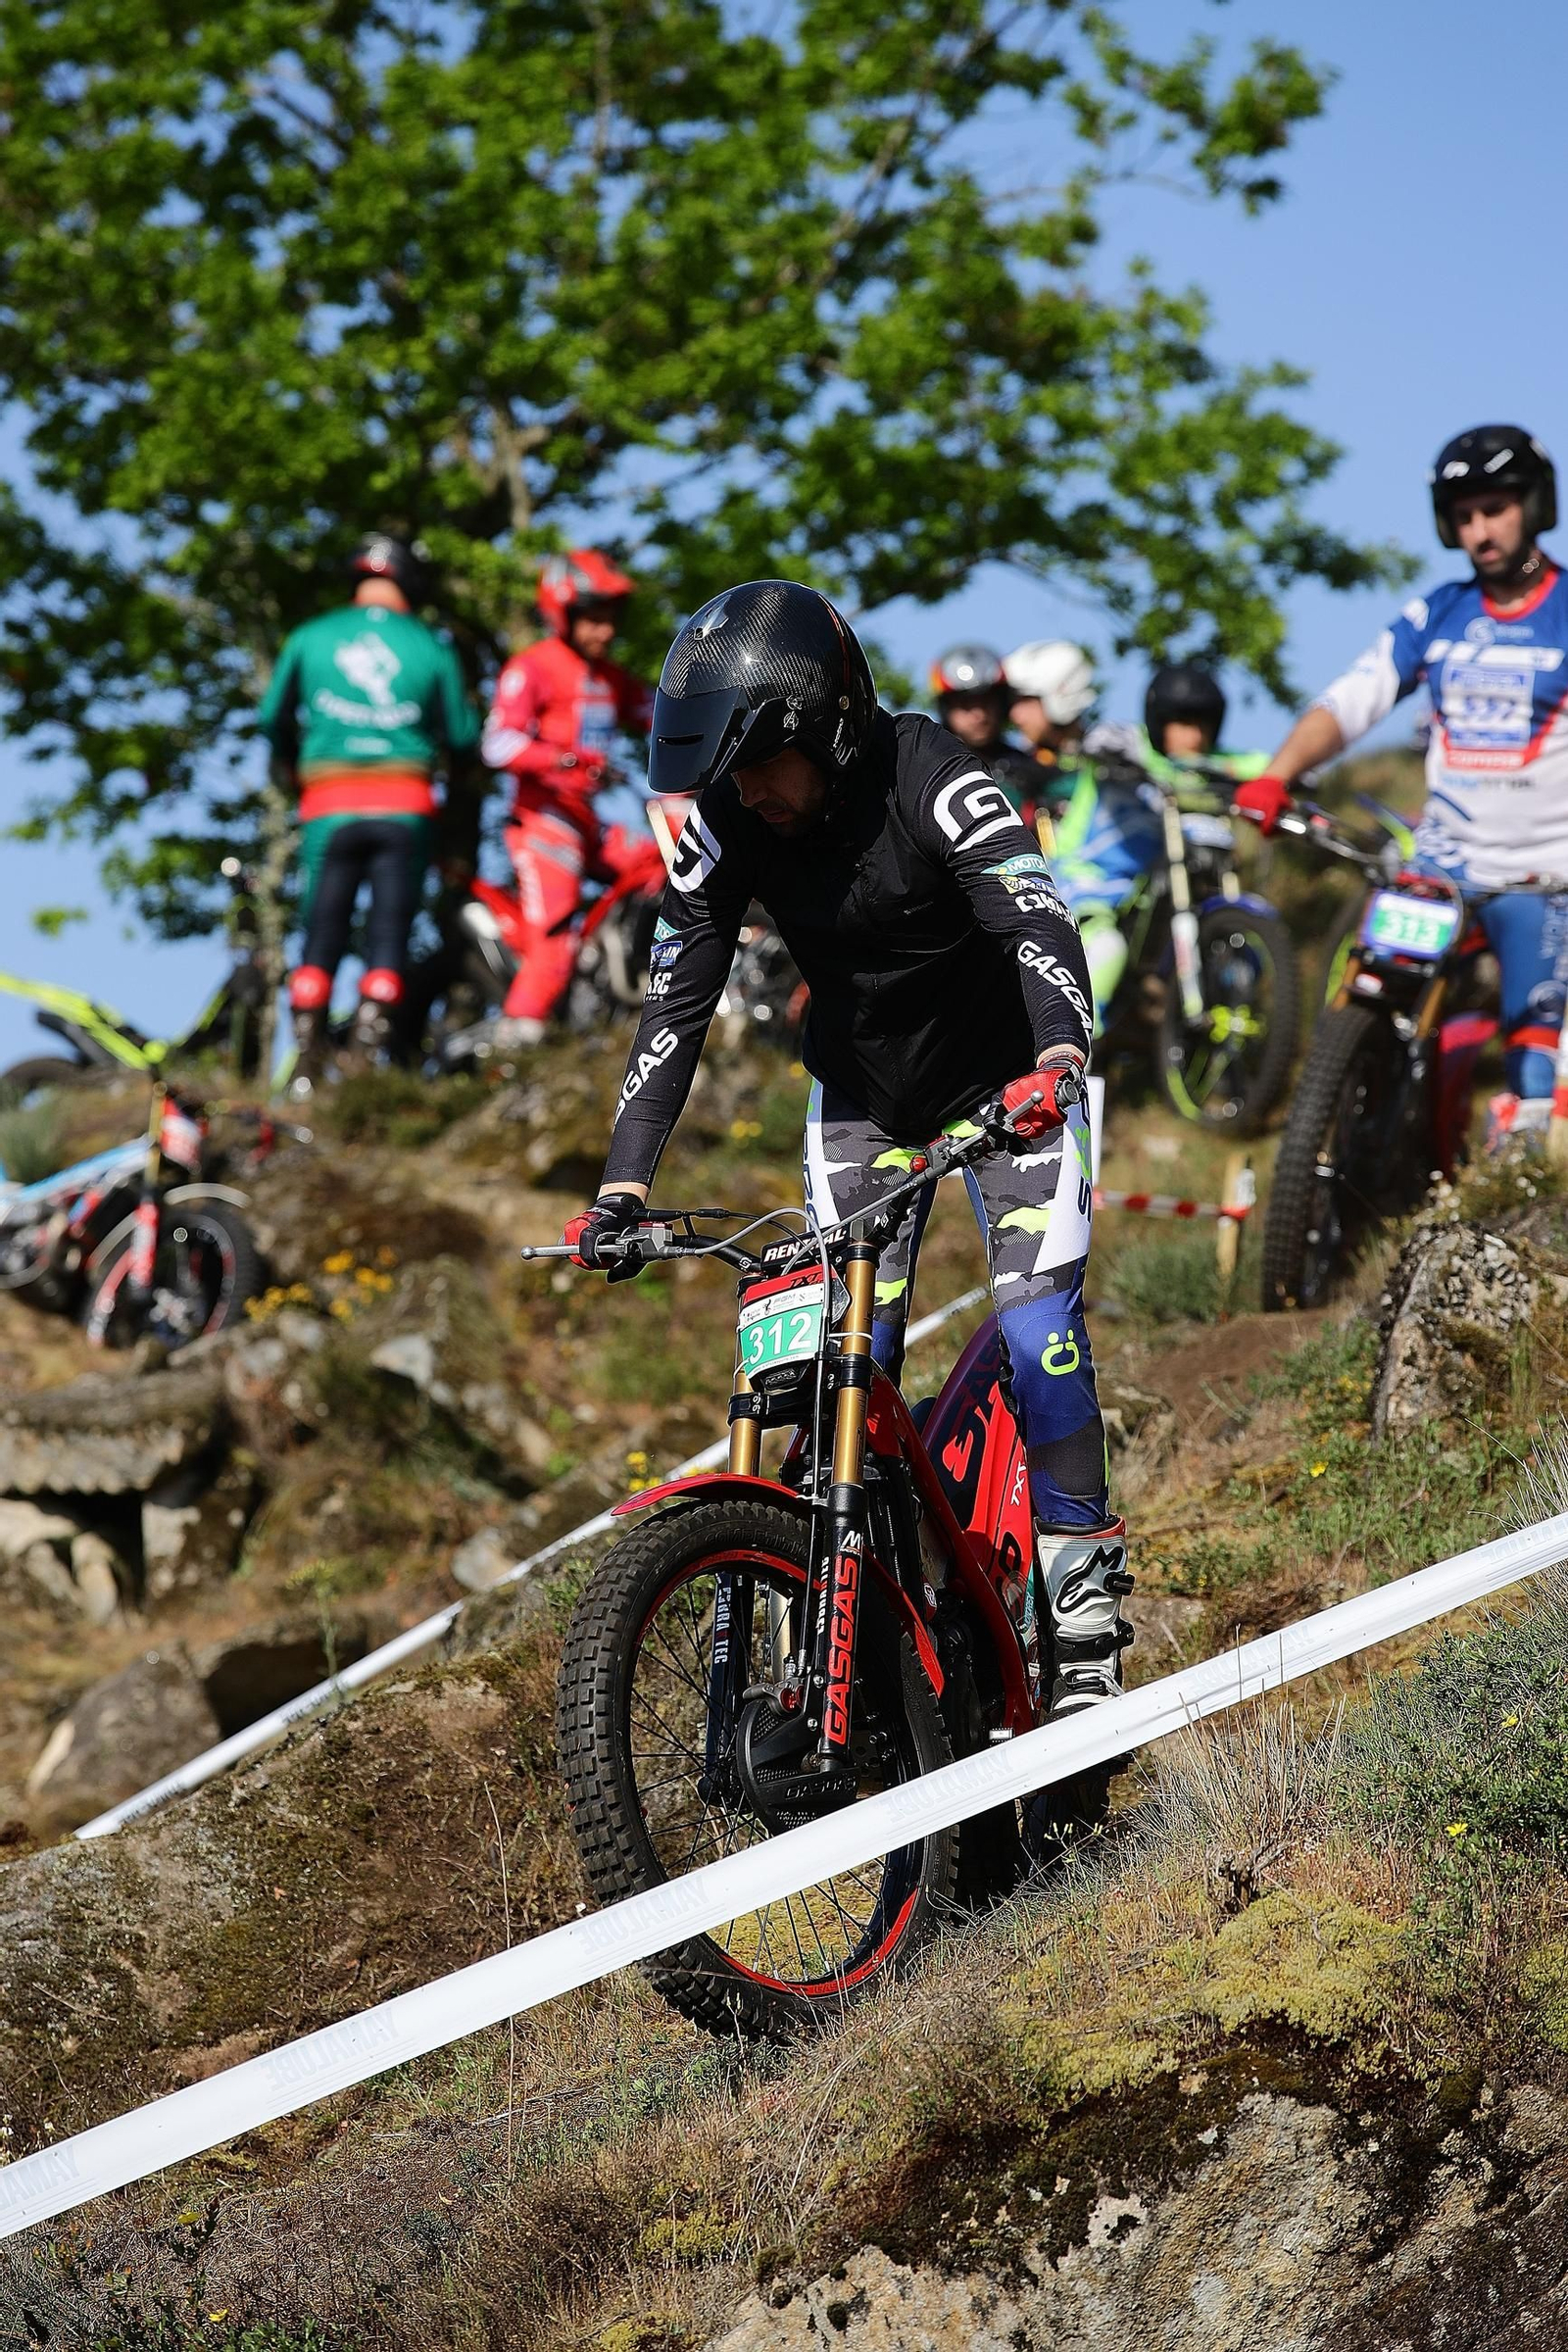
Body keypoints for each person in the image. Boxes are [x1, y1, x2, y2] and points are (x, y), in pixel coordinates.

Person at [562, 580, 1133, 1722]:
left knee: (1036, 1336)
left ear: (827, 721)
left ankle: (1085, 1621)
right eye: (733, 775)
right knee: (835, 1376)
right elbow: (677, 996)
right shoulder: (732, 818)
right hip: (862, 1104)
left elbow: (1036, 917)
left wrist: (1058, 1059)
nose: (752, 794)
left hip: (1010, 1085)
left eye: (765, 764)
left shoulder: (937, 778)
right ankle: (873, 1630)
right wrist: (623, 1181)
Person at [1237, 424, 1568, 1131]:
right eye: (1465, 514)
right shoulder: (1437, 613)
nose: (1480, 528)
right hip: (1442, 867)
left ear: (1535, 505)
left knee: (1536, 1073)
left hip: (1545, 877)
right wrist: (1278, 775)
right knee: (1366, 1004)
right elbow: (1353, 698)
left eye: (1496, 508)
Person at [259, 535, 480, 1079]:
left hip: (328, 805)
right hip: (405, 807)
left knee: (321, 930)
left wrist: (291, 765)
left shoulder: (311, 637)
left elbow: (272, 717)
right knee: (388, 932)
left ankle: (307, 1061)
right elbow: (463, 734)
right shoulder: (431, 646)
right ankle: (366, 1054)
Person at [482, 550, 655, 1046]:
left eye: (611, 620)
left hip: (589, 825)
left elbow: (663, 714)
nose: (606, 631)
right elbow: (497, 742)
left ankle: (626, 980)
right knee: (554, 945)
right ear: (563, 613)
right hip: (544, 822)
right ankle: (516, 1045)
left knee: (666, 865)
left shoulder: (611, 677)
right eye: (594, 619)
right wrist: (562, 760)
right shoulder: (532, 666)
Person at [1036, 662, 1266, 1030]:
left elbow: (1266, 767)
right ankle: (1070, 1063)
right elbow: (1099, 740)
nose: (1194, 737)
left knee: (1248, 947)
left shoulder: (1213, 764)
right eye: (1183, 724)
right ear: (1159, 723)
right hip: (1085, 879)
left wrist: (1288, 778)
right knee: (1106, 951)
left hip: (1152, 888)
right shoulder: (1129, 742)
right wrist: (1120, 760)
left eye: (1203, 725)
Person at [928, 644, 1040, 808]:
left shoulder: (1033, 770)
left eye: (986, 702)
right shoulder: (930, 770)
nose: (979, 715)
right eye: (965, 704)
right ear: (946, 709)